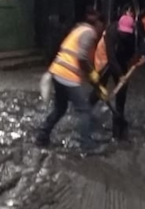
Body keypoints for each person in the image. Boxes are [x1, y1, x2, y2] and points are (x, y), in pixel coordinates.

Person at [36, 10, 105, 152]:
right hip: (68, 75)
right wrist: (92, 74)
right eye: (102, 26)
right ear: (98, 24)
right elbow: (81, 58)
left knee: (60, 108)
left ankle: (42, 136)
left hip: (57, 71)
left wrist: (95, 83)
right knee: (84, 110)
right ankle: (87, 145)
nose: (101, 30)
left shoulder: (78, 29)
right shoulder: (90, 33)